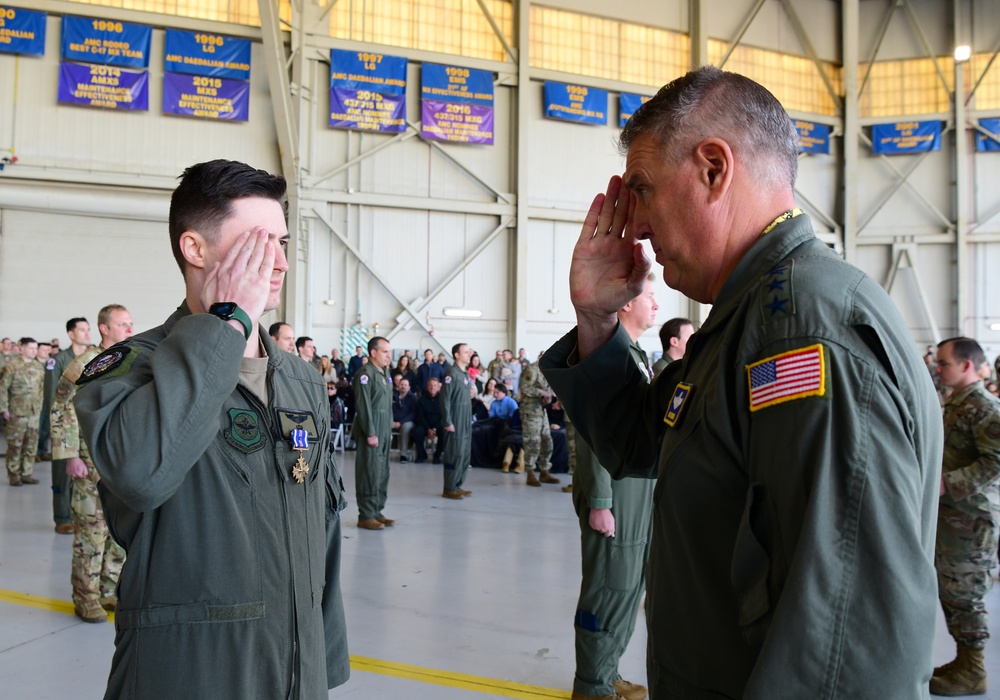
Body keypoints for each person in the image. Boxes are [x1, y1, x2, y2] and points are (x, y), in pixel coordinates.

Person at [540, 67, 942, 698]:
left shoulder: (799, 334)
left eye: (642, 189)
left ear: (713, 169)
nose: (637, 225)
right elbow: (638, 442)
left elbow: (844, 648)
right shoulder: (750, 319)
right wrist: (596, 320)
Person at [73, 159, 350, 698]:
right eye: (258, 244)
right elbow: (144, 474)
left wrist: (322, 661)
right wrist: (226, 322)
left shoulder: (298, 378)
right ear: (195, 249)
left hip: (295, 671)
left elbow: (324, 523)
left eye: (283, 243)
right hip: (190, 675)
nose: (280, 263)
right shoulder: (131, 368)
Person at [569, 277, 657, 700]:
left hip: (637, 497)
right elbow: (592, 434)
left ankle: (607, 672)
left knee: (627, 587)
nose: (656, 303)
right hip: (615, 498)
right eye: (649, 296)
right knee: (607, 589)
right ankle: (591, 686)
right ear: (625, 306)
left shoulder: (634, 355)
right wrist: (601, 501)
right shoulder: (607, 355)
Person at [50, 304, 133, 623]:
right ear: (104, 328)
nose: (129, 328)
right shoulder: (86, 363)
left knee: (116, 533)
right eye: (122, 323)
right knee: (91, 533)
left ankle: (109, 589)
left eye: (130, 323)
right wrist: (69, 454)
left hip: (120, 462)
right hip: (89, 461)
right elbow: (60, 406)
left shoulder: (131, 359)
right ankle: (85, 596)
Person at [930, 337, 1000, 696]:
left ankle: (974, 670)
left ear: (967, 365)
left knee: (967, 592)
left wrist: (946, 484)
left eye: (944, 364)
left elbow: (996, 462)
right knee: (952, 590)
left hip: (972, 519)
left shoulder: (985, 408)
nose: (939, 369)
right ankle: (963, 661)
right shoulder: (955, 402)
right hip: (953, 517)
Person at [45, 317, 93, 533]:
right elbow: (52, 397)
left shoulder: (91, 359)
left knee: (83, 480)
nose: (87, 333)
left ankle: (76, 516)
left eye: (88, 329)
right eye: (82, 330)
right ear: (71, 334)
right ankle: (62, 517)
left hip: (82, 428)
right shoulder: (58, 360)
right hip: (63, 425)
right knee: (62, 476)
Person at [353, 336, 395, 530]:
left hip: (384, 428)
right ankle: (366, 514)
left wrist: (389, 428)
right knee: (369, 471)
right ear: (373, 353)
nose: (389, 355)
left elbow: (387, 404)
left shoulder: (384, 373)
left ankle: (377, 510)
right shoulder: (365, 374)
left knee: (382, 471)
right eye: (385, 351)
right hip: (371, 428)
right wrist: (370, 431)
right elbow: (364, 406)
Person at [0, 337, 44, 486]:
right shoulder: (11, 366)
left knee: (31, 444)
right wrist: (3, 409)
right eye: (31, 348)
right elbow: (3, 389)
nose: (34, 351)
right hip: (17, 411)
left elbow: (41, 389)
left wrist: (41, 406)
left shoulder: (38, 367)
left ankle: (26, 473)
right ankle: (14, 474)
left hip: (34, 412)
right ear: (22, 348)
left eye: (35, 348)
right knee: (15, 444)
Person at [519, 355, 558, 487]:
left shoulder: (545, 371)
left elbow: (546, 391)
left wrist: (546, 398)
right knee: (533, 442)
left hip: (541, 411)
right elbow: (525, 388)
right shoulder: (532, 369)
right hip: (530, 412)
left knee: (547, 441)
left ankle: (544, 472)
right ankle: (530, 473)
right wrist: (542, 393)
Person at [440, 343, 473, 499]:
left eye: (469, 352)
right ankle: (449, 487)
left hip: (466, 420)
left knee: (464, 453)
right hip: (455, 419)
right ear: (457, 355)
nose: (469, 354)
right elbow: (444, 399)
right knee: (455, 453)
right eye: (466, 352)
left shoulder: (465, 374)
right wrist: (447, 421)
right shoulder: (451, 374)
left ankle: (458, 484)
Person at [413, 377, 444, 464]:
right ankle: (422, 455)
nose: (432, 387)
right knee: (417, 432)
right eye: (430, 385)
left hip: (439, 425)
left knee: (444, 433)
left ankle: (437, 456)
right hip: (425, 425)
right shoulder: (421, 399)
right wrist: (428, 429)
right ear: (427, 387)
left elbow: (443, 416)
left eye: (435, 385)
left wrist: (434, 429)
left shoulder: (443, 400)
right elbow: (420, 416)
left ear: (438, 388)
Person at [392, 377, 418, 463]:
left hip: (407, 422)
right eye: (401, 384)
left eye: (405, 385)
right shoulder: (392, 396)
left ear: (409, 387)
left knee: (405, 428)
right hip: (393, 421)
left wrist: (401, 422)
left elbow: (413, 413)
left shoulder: (413, 398)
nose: (403, 386)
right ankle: (381, 453)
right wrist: (391, 421)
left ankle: (403, 454)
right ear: (398, 386)